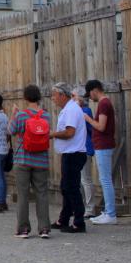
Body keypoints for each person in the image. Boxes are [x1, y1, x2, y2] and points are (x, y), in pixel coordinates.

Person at [9, 85, 52, 238]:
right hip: (41, 160)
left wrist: (13, 114)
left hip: (23, 159)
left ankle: (23, 229)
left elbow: (12, 131)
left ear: (25, 98)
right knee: (42, 194)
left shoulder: (21, 115)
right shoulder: (46, 116)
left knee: (23, 195)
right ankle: (44, 228)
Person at [49, 83, 88, 233]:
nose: (53, 98)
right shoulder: (69, 109)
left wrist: (52, 134)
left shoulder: (71, 109)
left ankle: (79, 222)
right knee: (66, 187)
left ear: (62, 95)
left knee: (71, 188)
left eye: (54, 95)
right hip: (70, 153)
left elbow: (69, 132)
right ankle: (64, 219)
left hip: (74, 153)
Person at [84, 79, 118, 225]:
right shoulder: (104, 103)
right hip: (102, 146)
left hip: (103, 146)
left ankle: (111, 214)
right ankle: (108, 212)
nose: (90, 98)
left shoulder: (104, 103)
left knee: (105, 180)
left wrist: (88, 119)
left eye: (90, 94)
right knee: (105, 179)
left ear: (94, 90)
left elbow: (101, 126)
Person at [73, 89, 96, 217]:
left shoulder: (85, 111)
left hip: (85, 148)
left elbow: (86, 127)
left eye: (74, 97)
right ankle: (81, 207)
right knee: (79, 180)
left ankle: (90, 208)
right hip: (78, 148)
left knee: (86, 179)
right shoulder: (78, 110)